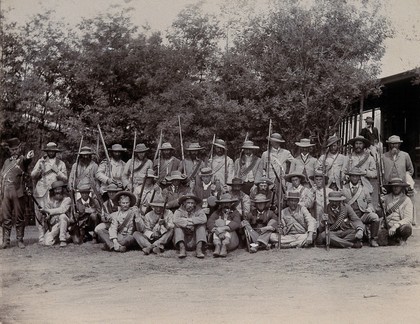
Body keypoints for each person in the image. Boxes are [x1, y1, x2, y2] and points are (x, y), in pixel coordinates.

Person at [30, 142, 67, 244]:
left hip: (54, 193)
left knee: (52, 214)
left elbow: (65, 178)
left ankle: (53, 235)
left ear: (56, 152)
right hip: (41, 191)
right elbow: (32, 175)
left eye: (53, 151)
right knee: (40, 214)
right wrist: (39, 169)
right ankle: (41, 237)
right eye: (49, 151)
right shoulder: (41, 161)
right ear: (47, 151)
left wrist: (57, 171)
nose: (51, 152)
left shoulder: (61, 163)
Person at [0, 138, 34, 249]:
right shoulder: (6, 162)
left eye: (16, 149)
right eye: (12, 149)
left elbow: (27, 161)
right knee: (6, 217)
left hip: (18, 191)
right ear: (9, 150)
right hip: (6, 191)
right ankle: (6, 241)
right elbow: (2, 176)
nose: (14, 151)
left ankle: (20, 240)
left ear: (19, 149)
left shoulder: (22, 159)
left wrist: (29, 156)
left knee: (19, 217)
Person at [341, 167, 380, 247]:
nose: (355, 178)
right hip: (350, 217)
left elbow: (369, 202)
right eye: (353, 176)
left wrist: (370, 208)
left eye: (357, 176)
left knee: (375, 217)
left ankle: (373, 239)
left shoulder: (364, 189)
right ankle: (357, 239)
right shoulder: (344, 189)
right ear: (350, 177)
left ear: (359, 177)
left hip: (362, 214)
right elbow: (341, 204)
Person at [382, 135, 416, 225]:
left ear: (399, 145)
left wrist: (407, 179)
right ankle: (388, 222)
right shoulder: (383, 156)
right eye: (391, 144)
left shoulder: (405, 155)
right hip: (388, 185)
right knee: (388, 204)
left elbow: (410, 170)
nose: (394, 146)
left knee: (405, 203)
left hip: (401, 185)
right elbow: (380, 172)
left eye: (396, 144)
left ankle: (407, 222)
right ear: (389, 145)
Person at [378, 178, 413, 246]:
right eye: (394, 186)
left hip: (400, 226)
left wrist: (396, 226)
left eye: (398, 186)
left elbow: (408, 218)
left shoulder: (407, 200)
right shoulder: (385, 198)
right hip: (388, 226)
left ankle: (402, 239)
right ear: (391, 187)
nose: (396, 188)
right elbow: (379, 214)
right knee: (381, 242)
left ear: (401, 187)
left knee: (407, 228)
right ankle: (395, 240)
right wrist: (380, 204)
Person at [173, 194, 207, 258]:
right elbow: (175, 220)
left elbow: (204, 219)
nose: (190, 205)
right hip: (183, 239)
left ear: (195, 204)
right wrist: (188, 224)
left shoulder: (199, 210)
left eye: (192, 203)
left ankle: (199, 250)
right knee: (177, 227)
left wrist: (189, 220)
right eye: (188, 203)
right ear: (184, 203)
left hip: (195, 239)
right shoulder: (179, 211)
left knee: (201, 226)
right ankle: (182, 249)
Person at [43, 181, 72, 247]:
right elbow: (47, 212)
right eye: (55, 189)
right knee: (47, 242)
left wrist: (47, 211)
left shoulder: (67, 199)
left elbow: (62, 210)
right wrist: (47, 215)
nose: (57, 191)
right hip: (55, 224)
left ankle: (63, 240)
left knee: (62, 216)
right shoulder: (50, 201)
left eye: (59, 189)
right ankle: (61, 237)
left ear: (63, 189)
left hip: (66, 223)